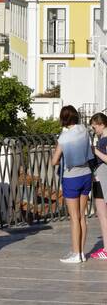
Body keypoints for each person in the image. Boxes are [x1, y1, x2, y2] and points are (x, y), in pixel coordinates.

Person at [51, 105, 94, 263]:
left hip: (72, 177)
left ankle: (76, 253)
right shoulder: (84, 130)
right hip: (86, 174)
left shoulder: (64, 137)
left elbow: (54, 161)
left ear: (63, 119)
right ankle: (81, 252)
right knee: (82, 216)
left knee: (74, 218)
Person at [89, 112, 107, 259]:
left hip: (102, 179)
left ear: (101, 124)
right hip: (99, 178)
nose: (94, 130)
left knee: (103, 215)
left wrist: (94, 150)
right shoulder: (102, 139)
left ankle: (106, 249)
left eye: (95, 127)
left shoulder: (105, 140)